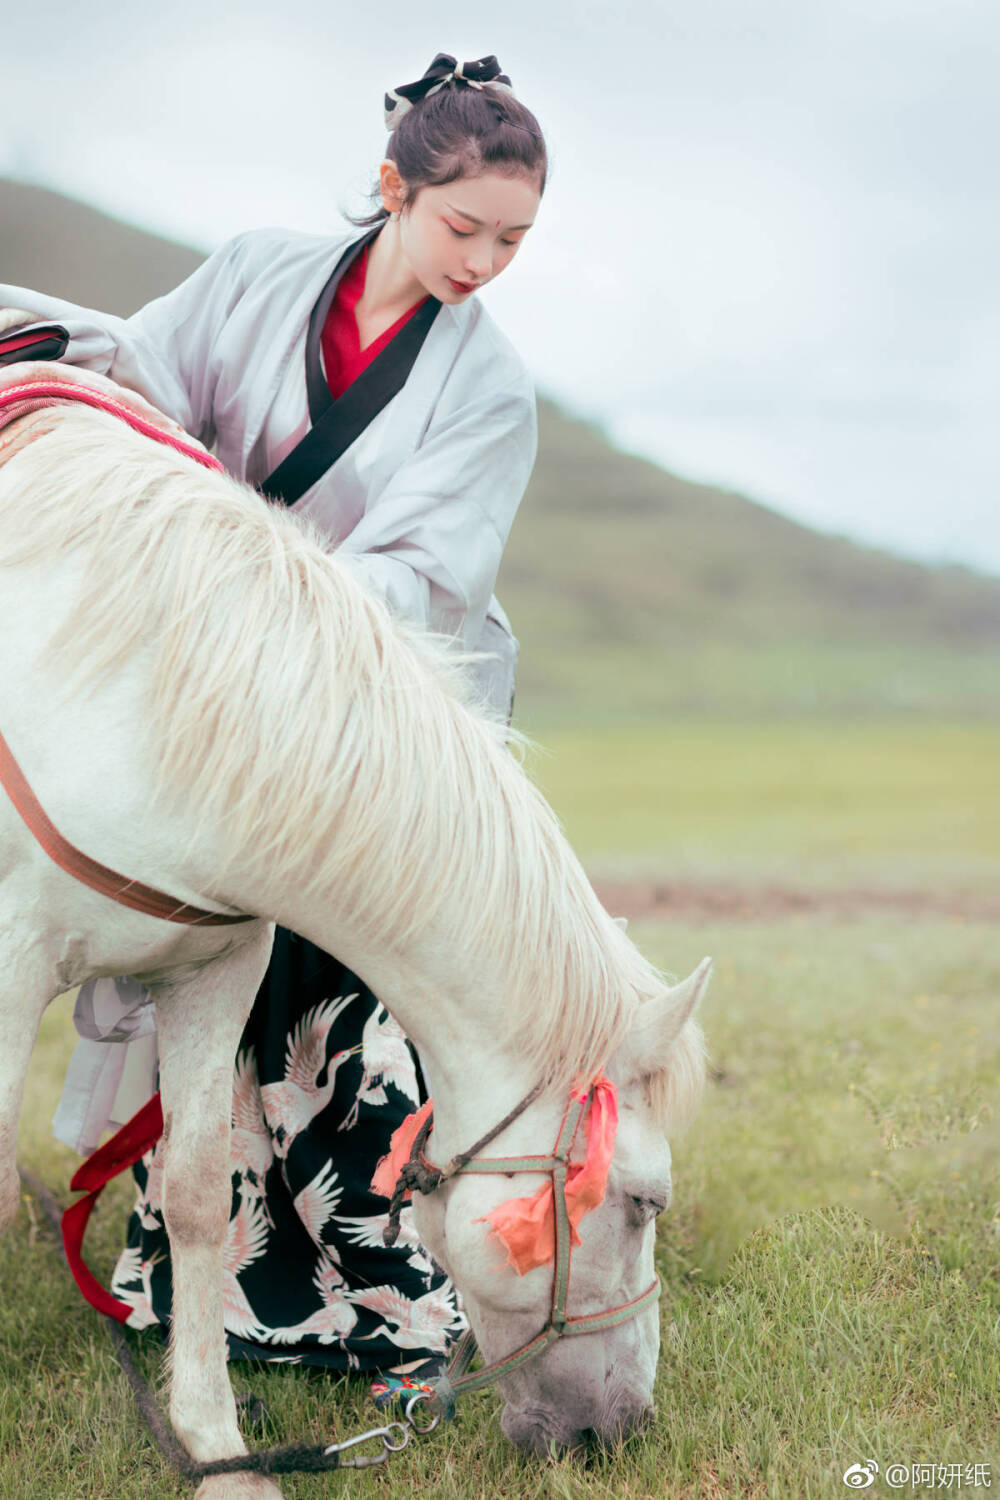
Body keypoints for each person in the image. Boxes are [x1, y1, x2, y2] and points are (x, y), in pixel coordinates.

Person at [0, 52, 545, 1380]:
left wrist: (250, 592)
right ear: (394, 190)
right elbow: (146, 407)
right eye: (463, 225)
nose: (482, 259)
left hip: (355, 696)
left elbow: (424, 576)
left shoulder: (490, 392)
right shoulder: (254, 269)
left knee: (325, 985)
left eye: (514, 240)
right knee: (165, 908)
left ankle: (349, 1268)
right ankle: (187, 1253)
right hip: (190, 652)